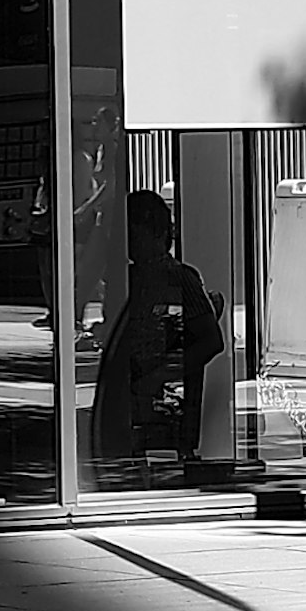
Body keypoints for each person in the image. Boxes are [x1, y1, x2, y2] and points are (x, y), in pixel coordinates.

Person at [90, 187, 225, 477]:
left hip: (159, 392)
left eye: (134, 232)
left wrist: (161, 374)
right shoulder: (126, 279)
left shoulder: (179, 277)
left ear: (154, 232)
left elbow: (211, 341)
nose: (127, 242)